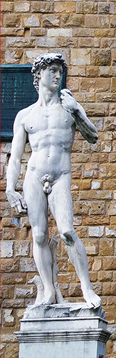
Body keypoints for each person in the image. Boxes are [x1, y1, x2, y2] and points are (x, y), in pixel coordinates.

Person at [5, 52, 101, 308]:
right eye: (52, 71)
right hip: (34, 176)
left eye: (60, 71)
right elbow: (15, 158)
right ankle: (48, 290)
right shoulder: (25, 116)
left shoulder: (68, 108)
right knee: (38, 236)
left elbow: (93, 136)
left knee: (67, 231)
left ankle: (86, 288)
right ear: (39, 76)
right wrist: (9, 188)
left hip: (60, 176)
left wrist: (79, 112)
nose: (58, 75)